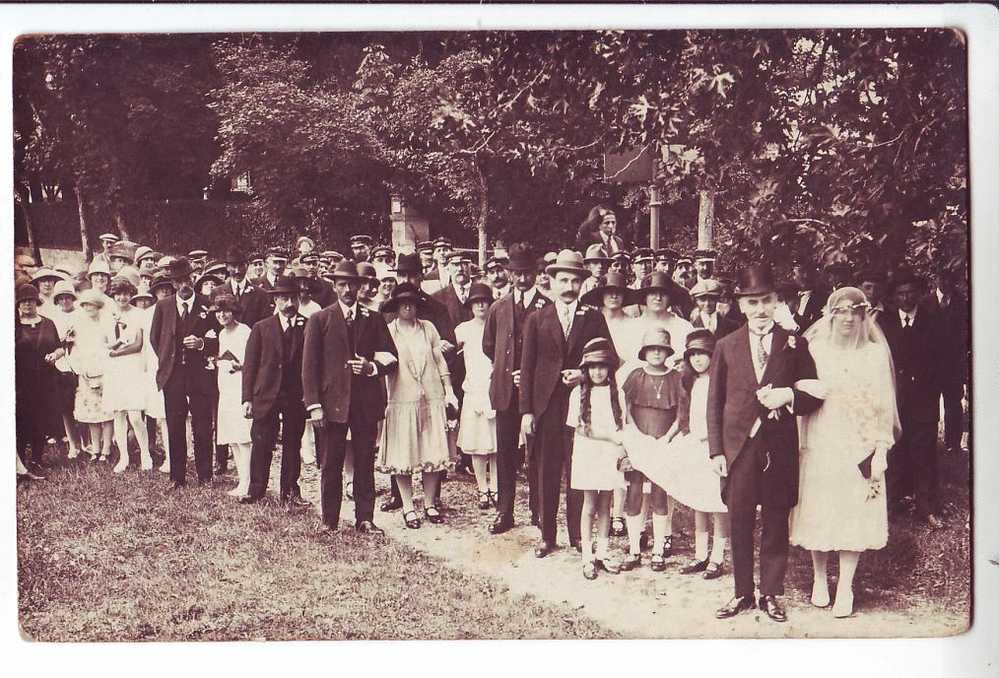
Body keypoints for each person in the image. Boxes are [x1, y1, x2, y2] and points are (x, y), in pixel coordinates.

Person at [708, 264, 823, 623]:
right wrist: (716, 451)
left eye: (767, 301)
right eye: (752, 302)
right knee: (739, 518)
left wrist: (789, 395)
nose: (760, 309)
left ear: (777, 302)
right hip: (739, 448)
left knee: (775, 518)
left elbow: (814, 394)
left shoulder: (793, 343)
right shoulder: (726, 345)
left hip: (777, 447)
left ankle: (771, 592)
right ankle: (742, 591)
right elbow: (714, 402)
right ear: (741, 305)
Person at [790, 287, 900, 618]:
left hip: (859, 444)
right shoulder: (816, 349)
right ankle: (820, 579)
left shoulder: (874, 354)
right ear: (830, 315)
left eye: (855, 312)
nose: (848, 318)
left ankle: (846, 586)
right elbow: (795, 382)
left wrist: (880, 449)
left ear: (864, 316)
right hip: (821, 438)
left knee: (853, 513)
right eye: (841, 312)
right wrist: (801, 386)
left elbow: (883, 405)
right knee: (820, 509)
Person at [520, 249, 615, 558]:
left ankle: (578, 534)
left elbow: (610, 357)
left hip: (582, 406)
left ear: (582, 283)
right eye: (563, 280)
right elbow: (528, 365)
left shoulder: (593, 316)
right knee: (547, 469)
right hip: (546, 406)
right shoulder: (537, 318)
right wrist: (526, 412)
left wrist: (583, 375)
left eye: (575, 280)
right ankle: (547, 535)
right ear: (551, 280)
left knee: (579, 469)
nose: (569, 286)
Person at [303, 260, 398, 535]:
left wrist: (371, 368)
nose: (347, 290)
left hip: (365, 403)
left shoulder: (373, 318)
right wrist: (314, 405)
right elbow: (309, 367)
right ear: (334, 286)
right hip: (331, 404)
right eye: (342, 284)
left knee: (365, 461)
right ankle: (329, 520)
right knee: (331, 462)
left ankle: (365, 518)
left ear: (360, 287)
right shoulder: (320, 319)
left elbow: (391, 357)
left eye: (352, 285)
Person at [633, 328, 730, 578]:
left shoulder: (721, 382)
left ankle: (717, 557)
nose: (698, 359)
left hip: (714, 448)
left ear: (714, 355)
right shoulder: (690, 382)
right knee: (699, 501)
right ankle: (700, 555)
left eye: (703, 354)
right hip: (693, 446)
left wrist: (713, 439)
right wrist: (673, 437)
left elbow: (725, 417)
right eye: (693, 354)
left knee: (717, 504)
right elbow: (683, 417)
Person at [377, 283, 459, 528]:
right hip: (402, 399)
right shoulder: (388, 331)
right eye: (402, 303)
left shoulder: (429, 328)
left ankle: (430, 504)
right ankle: (408, 506)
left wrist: (449, 391)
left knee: (431, 451)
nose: (407, 307)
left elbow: (440, 361)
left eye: (412, 302)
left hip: (431, 397)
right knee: (404, 454)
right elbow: (382, 363)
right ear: (396, 306)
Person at [482, 244, 549, 534]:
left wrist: (531, 375)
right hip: (506, 391)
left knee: (536, 452)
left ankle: (538, 510)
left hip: (536, 392)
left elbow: (551, 350)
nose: (523, 279)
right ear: (510, 274)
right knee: (506, 451)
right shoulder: (498, 307)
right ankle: (505, 512)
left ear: (537, 273)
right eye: (518, 274)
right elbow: (489, 346)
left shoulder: (547, 307)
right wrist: (509, 372)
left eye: (528, 274)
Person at [615, 326, 688, 571]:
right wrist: (636, 436)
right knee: (634, 493)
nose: (656, 353)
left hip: (663, 443)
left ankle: (658, 550)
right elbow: (626, 409)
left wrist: (667, 438)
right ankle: (634, 549)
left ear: (667, 352)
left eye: (661, 349)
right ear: (644, 352)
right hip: (639, 443)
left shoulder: (675, 378)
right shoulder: (636, 376)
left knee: (659, 495)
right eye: (652, 349)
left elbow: (681, 414)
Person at [880, 269, 945, 528]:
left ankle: (927, 506)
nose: (906, 299)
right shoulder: (884, 324)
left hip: (924, 399)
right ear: (894, 298)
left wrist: (935, 390)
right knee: (894, 449)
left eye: (910, 293)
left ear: (918, 294)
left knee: (924, 451)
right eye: (900, 294)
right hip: (894, 399)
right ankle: (893, 501)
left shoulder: (932, 320)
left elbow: (943, 359)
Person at [149, 257, 221, 489]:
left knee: (202, 425)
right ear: (173, 282)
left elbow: (220, 337)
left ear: (193, 278)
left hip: (200, 374)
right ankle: (177, 478)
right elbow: (154, 338)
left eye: (187, 279)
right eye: (178, 281)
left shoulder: (207, 304)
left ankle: (205, 476)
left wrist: (201, 344)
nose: (183, 285)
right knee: (175, 425)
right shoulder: (164, 306)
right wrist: (168, 357)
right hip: (173, 375)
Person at [239, 276, 310, 506]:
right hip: (266, 393)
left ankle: (289, 490)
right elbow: (250, 365)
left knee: (292, 443)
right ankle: (256, 489)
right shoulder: (262, 327)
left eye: (293, 299)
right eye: (284, 299)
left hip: (295, 396)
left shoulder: (309, 325)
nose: (289, 304)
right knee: (262, 442)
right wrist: (247, 398)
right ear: (276, 300)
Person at [568, 338, 627, 579]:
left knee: (606, 505)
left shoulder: (618, 394)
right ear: (585, 369)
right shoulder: (578, 393)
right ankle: (586, 558)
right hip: (588, 454)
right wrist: (611, 437)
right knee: (589, 505)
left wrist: (620, 444)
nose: (597, 372)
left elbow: (624, 425)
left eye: (602, 366)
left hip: (610, 456)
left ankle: (601, 554)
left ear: (610, 369)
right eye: (592, 367)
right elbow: (582, 429)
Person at [104, 270, 153, 473]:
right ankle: (123, 457)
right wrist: (111, 349)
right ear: (113, 295)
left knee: (135, 415)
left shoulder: (139, 314)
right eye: (118, 294)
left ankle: (145, 454)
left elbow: (139, 344)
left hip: (132, 366)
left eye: (125, 293)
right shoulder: (107, 315)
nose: (122, 297)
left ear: (131, 294)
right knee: (119, 414)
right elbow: (105, 343)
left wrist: (117, 352)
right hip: (115, 370)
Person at [455, 283, 498, 508]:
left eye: (485, 301)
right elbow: (452, 354)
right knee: (478, 444)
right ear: (471, 305)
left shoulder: (498, 325)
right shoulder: (463, 329)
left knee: (496, 444)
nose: (481, 305)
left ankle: (497, 487)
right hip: (473, 389)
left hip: (495, 388)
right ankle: (482, 488)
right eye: (476, 301)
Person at [15, 283, 63, 472]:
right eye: (23, 301)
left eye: (31, 301)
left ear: (37, 302)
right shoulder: (13, 325)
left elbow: (59, 347)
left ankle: (36, 459)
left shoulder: (48, 323)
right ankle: (19, 463)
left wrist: (55, 355)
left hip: (46, 380)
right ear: (18, 304)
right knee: (22, 420)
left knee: (42, 419)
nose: (27, 304)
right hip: (21, 381)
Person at [210, 292, 253, 497]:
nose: (222, 315)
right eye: (218, 311)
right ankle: (242, 480)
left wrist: (239, 365)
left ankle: (248, 481)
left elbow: (252, 361)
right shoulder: (221, 334)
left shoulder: (244, 331)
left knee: (243, 436)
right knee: (233, 437)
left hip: (240, 385)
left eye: (226, 311)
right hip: (226, 387)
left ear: (233, 311)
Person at [68, 288, 115, 463]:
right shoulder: (79, 327)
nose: (89, 308)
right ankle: (95, 449)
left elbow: (111, 349)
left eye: (92, 305)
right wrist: (83, 371)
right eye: (86, 305)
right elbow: (76, 351)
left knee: (107, 412)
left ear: (98, 306)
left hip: (105, 373)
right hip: (86, 374)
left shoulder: (106, 325)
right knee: (92, 413)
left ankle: (107, 448)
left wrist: (104, 372)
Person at [49, 280, 85, 459]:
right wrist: (64, 340)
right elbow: (53, 343)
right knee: (66, 408)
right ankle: (73, 444)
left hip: (81, 363)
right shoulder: (54, 318)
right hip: (62, 365)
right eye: (61, 298)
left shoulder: (82, 314)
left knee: (84, 404)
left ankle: (87, 441)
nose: (65, 301)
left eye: (68, 298)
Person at [146, 274, 174, 473]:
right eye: (160, 288)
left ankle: (176, 456)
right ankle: (166, 455)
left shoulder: (176, 308)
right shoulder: (147, 313)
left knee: (173, 414)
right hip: (153, 365)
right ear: (154, 292)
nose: (164, 291)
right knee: (160, 414)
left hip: (172, 367)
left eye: (167, 287)